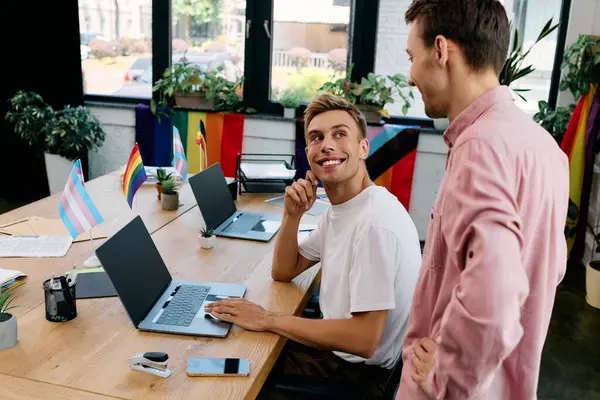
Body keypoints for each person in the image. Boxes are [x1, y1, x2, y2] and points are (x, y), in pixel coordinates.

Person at [397, 0, 570, 399]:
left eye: (412, 57)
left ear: (441, 50)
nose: (410, 76)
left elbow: (497, 291)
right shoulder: (544, 147)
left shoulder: (479, 146)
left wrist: (446, 381)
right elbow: (549, 266)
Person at [206, 93, 422, 398]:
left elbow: (364, 339)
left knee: (230, 374)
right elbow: (284, 270)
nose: (327, 145)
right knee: (237, 341)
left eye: (340, 134)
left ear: (363, 147)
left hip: (355, 377)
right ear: (308, 153)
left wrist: (268, 319)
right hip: (338, 357)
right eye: (317, 138)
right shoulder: (343, 208)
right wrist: (291, 215)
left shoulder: (375, 223)